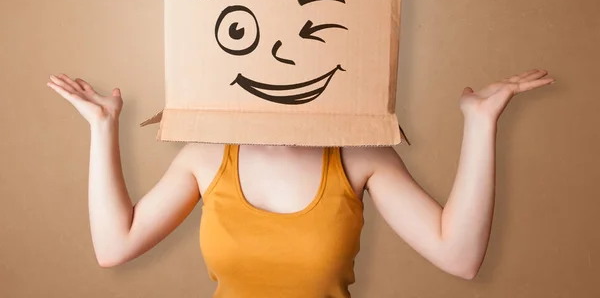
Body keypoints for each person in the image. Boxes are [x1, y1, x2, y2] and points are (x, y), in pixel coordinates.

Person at [46, 69, 554, 297]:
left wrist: (481, 122)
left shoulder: (357, 152)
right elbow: (115, 245)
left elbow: (459, 256)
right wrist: (102, 126)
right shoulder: (206, 152)